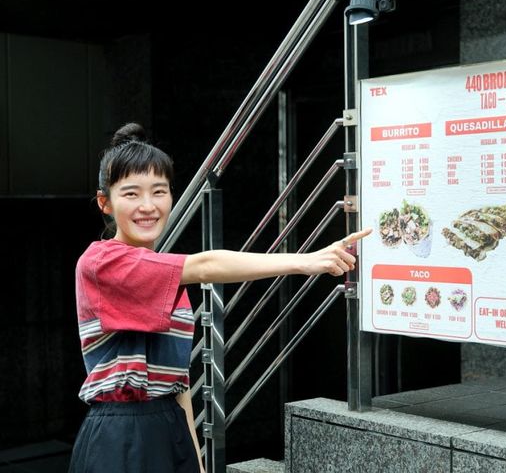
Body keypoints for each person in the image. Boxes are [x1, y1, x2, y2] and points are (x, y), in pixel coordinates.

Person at [68, 122, 372, 473]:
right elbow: (206, 265)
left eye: (159, 191)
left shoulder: (166, 279)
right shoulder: (101, 261)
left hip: (170, 427)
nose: (148, 206)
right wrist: (304, 261)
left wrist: (197, 462)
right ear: (105, 202)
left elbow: (178, 385)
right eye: (131, 194)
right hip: (120, 434)